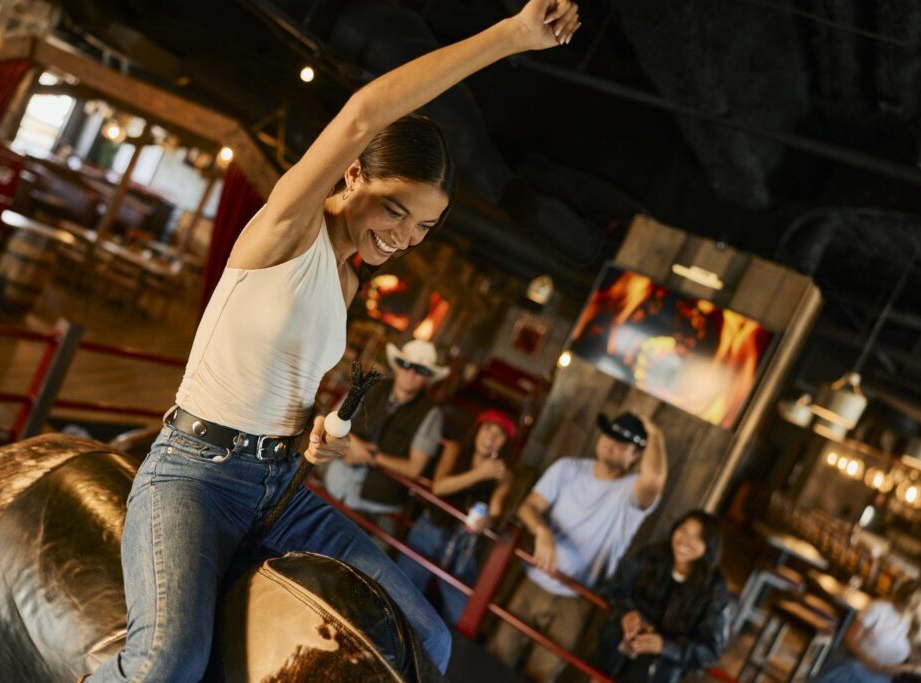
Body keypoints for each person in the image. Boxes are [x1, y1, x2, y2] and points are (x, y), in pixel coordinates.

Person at [86, 2, 583, 680]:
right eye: (395, 209)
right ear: (352, 175)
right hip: (197, 476)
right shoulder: (288, 228)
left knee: (426, 643)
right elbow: (364, 115)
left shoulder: (349, 286)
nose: (406, 236)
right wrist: (512, 37)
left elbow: (283, 390)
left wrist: (314, 432)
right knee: (167, 665)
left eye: (425, 226)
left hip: (281, 489)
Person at [489, 412, 668, 683]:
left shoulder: (630, 492)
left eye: (622, 442)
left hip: (577, 598)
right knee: (497, 655)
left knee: (541, 673)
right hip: (533, 580)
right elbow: (529, 507)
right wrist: (542, 531)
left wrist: (654, 431)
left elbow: (654, 477)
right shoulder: (568, 468)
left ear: (635, 456)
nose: (611, 442)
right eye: (609, 434)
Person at [395, 408, 517, 623]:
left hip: (464, 541)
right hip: (432, 526)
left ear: (505, 443)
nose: (491, 437)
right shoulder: (455, 449)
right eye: (488, 428)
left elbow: (496, 511)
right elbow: (439, 487)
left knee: (462, 610)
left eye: (500, 435)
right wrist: (479, 474)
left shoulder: (503, 474)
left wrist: (485, 522)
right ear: (478, 430)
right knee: (402, 592)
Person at [324, 339, 449, 542]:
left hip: (377, 509)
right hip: (334, 483)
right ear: (397, 365)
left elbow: (414, 468)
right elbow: (333, 419)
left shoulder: (431, 414)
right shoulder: (370, 386)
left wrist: (370, 456)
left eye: (421, 370)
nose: (411, 373)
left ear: (428, 378)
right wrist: (355, 445)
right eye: (406, 365)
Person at [590, 510, 730, 683]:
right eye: (683, 530)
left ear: (709, 546)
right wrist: (626, 612)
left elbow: (711, 650)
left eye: (697, 537)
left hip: (657, 672)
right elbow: (613, 587)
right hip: (616, 650)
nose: (686, 540)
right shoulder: (650, 556)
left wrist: (665, 646)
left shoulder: (715, 588)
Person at [811, 580, 921, 683]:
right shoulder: (879, 608)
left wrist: (903, 668)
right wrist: (870, 663)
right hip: (851, 665)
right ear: (914, 603)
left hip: (880, 678)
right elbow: (850, 639)